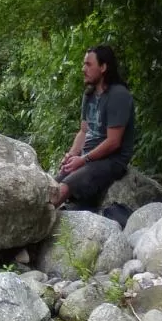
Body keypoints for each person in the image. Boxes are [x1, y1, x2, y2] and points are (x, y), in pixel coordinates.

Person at [51, 44, 136, 208]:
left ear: (103, 67)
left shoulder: (118, 95)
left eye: (88, 64)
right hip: (87, 158)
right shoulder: (89, 94)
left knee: (64, 187)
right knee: (51, 184)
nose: (83, 69)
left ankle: (35, 225)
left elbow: (113, 142)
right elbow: (84, 131)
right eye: (84, 64)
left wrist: (83, 160)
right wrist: (71, 154)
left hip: (111, 161)